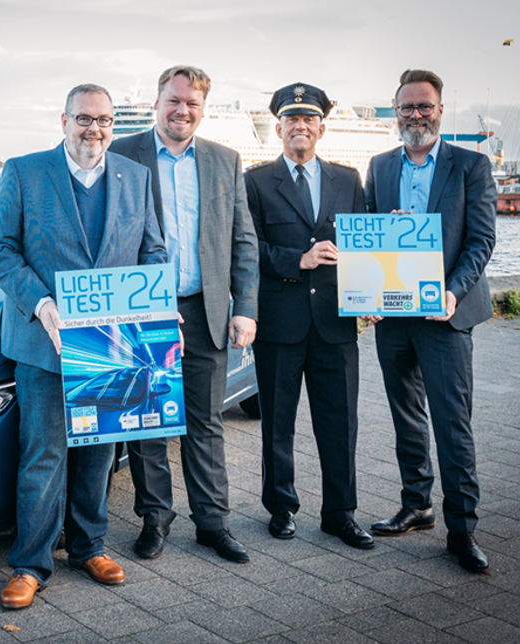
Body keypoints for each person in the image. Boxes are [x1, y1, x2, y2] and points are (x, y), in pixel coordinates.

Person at [0, 83, 167, 608]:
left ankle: (89, 547)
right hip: (45, 342)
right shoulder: (25, 171)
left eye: (105, 120)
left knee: (98, 454)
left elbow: (153, 250)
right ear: (62, 121)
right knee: (42, 456)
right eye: (84, 119)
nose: (95, 129)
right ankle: (30, 565)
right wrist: (41, 305)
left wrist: (150, 300)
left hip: (112, 343)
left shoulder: (136, 177)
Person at [109, 65, 259, 563]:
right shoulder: (121, 153)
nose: (182, 111)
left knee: (205, 422)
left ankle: (212, 523)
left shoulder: (224, 159)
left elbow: (242, 241)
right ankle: (156, 517)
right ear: (157, 103)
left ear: (202, 108)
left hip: (206, 309)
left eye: (192, 104)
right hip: (143, 309)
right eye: (174, 101)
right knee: (148, 421)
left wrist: (246, 309)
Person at [365, 69, 496, 573]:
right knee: (406, 415)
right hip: (394, 316)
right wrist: (370, 291)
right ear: (395, 111)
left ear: (440, 109)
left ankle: (462, 528)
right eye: (406, 108)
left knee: (451, 421)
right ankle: (416, 504)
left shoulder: (471, 165)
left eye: (424, 106)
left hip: (444, 314)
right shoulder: (379, 166)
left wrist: (452, 290)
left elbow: (480, 240)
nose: (415, 115)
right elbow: (371, 238)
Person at [243, 83, 373, 550]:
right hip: (280, 321)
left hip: (336, 322)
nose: (301, 126)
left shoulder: (348, 179)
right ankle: (280, 507)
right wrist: (297, 258)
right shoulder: (255, 181)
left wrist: (375, 291)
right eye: (292, 119)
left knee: (340, 424)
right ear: (278, 127)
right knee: (277, 422)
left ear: (322, 126)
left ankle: (341, 513)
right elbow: (247, 248)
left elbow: (363, 245)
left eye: (309, 119)